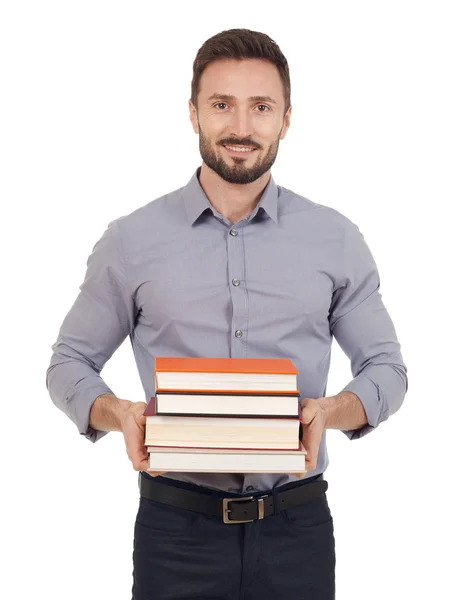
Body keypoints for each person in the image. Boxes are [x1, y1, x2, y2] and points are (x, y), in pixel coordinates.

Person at [46, 28, 408, 600]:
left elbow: (387, 368)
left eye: (261, 107)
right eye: (221, 105)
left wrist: (333, 410)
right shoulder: (130, 240)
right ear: (193, 113)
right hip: (175, 534)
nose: (241, 127)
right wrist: (116, 412)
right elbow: (68, 362)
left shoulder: (335, 239)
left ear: (286, 118)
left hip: (298, 531)